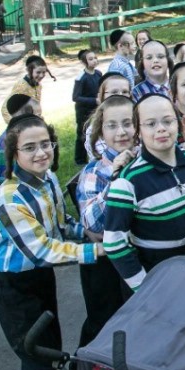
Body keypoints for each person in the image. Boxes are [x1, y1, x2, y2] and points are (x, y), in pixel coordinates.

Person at [0, 114, 102, 370]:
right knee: (38, 362)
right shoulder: (9, 198)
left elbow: (60, 225)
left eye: (46, 144)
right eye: (29, 147)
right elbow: (42, 250)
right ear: (14, 154)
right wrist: (95, 250)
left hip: (39, 277)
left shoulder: (48, 179)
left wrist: (88, 232)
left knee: (50, 351)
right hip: (13, 286)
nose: (41, 153)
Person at [104, 94, 185, 291]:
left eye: (167, 121)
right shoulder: (128, 181)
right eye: (151, 124)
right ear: (138, 131)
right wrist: (144, 288)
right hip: (154, 280)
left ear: (178, 123)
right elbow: (114, 242)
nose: (161, 128)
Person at [76, 95, 136, 347]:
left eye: (128, 123)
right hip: (107, 267)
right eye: (112, 126)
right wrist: (116, 178)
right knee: (105, 324)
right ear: (101, 132)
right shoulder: (95, 172)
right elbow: (94, 225)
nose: (121, 132)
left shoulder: (146, 160)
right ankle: (86, 367)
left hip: (137, 260)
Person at [0, 94, 40, 202]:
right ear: (26, 113)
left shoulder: (29, 130)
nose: (40, 119)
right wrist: (10, 200)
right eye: (37, 114)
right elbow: (5, 175)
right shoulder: (7, 140)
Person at [84, 72, 133, 161]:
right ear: (101, 96)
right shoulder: (95, 128)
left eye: (125, 92)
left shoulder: (138, 118)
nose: (120, 95)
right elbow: (103, 159)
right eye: (114, 92)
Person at [1, 55, 52, 123]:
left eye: (44, 72)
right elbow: (5, 109)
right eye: (38, 72)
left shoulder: (39, 85)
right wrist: (19, 123)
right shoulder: (21, 86)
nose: (41, 75)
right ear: (29, 70)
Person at [72, 49, 102, 165]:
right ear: (84, 62)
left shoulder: (98, 73)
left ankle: (94, 152)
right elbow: (75, 97)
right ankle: (79, 159)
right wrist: (94, 100)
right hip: (83, 110)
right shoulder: (81, 77)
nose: (94, 61)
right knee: (82, 133)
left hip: (96, 108)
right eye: (90, 59)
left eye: (95, 58)